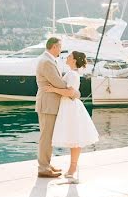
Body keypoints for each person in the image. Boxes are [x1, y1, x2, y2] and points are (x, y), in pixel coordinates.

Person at [51, 51, 99, 183]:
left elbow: (71, 92)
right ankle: (72, 167)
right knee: (73, 137)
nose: (67, 57)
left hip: (71, 107)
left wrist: (52, 89)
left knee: (75, 137)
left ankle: (73, 167)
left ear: (73, 60)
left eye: (69, 56)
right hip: (68, 106)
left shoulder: (73, 74)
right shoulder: (72, 73)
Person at [35, 37, 79, 178]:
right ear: (54, 47)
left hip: (50, 104)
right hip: (48, 104)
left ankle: (46, 164)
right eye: (60, 47)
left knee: (48, 137)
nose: (61, 50)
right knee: (46, 137)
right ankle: (43, 167)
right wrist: (75, 93)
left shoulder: (48, 60)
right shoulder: (47, 62)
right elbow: (59, 83)